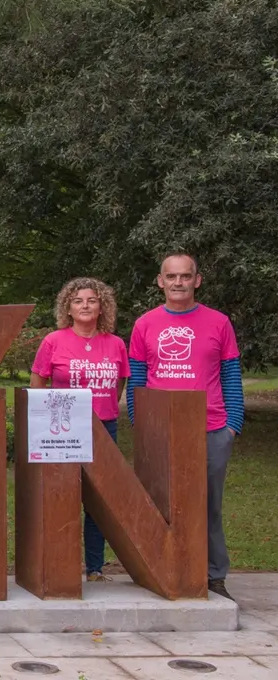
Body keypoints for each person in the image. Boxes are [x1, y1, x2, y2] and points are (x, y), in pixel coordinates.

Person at [127, 254, 242, 600]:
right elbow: (137, 380)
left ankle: (213, 576)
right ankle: (163, 570)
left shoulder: (219, 322)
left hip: (211, 428)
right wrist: (140, 422)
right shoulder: (144, 324)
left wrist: (232, 424)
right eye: (172, 276)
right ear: (160, 281)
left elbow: (231, 375)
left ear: (198, 280)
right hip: (161, 430)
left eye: (186, 276)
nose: (179, 282)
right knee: (160, 502)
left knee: (208, 505)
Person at [30, 278, 129, 582]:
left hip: (104, 427)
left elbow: (120, 382)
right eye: (78, 301)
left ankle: (95, 568)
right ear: (68, 309)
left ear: (102, 307)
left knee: (98, 502)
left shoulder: (115, 343)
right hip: (63, 432)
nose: (85, 305)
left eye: (91, 300)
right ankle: (59, 566)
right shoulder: (53, 341)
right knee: (62, 497)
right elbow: (38, 384)